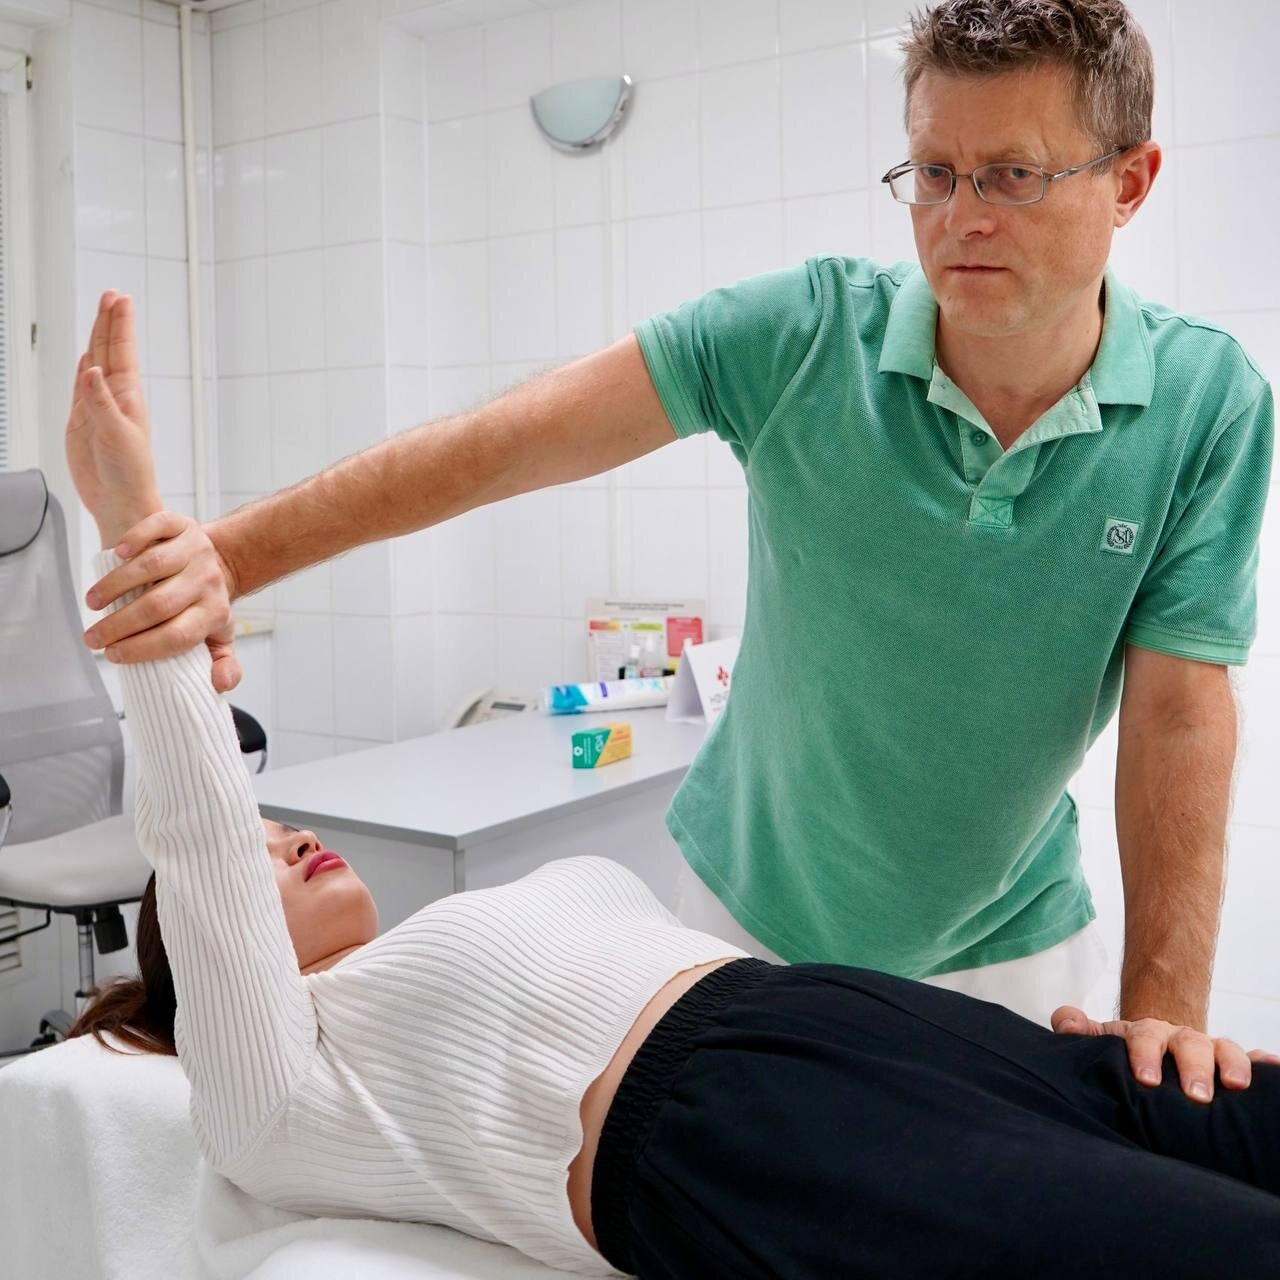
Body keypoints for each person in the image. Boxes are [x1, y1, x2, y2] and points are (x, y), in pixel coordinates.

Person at [79, 0, 1273, 1098]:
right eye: (932, 172)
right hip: (744, 918)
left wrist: (1161, 1008)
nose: (960, 218)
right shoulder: (803, 334)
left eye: (1011, 174)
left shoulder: (1205, 403)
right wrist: (227, 558)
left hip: (1011, 943)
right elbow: (499, 447)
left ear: (1128, 182)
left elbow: (1177, 710)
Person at [65, 297, 1280, 1278]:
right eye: (271, 860)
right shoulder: (281, 1094)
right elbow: (202, 835)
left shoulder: (450, 937)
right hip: (726, 1119)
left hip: (831, 1008)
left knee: (1225, 1117)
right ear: (216, 967)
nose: (292, 842)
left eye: (285, 828)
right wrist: (148, 544)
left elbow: (1181, 703)